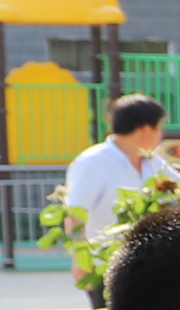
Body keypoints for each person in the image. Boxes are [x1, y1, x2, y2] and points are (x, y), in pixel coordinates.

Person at [67, 91, 173, 244]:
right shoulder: (92, 162)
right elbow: (75, 214)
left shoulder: (154, 162)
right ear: (145, 130)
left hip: (148, 254)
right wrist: (80, 255)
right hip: (104, 255)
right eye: (159, 128)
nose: (161, 136)